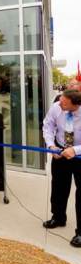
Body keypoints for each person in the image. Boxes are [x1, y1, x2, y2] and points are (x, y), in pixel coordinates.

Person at [43, 89, 81, 248]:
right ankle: (58, 217)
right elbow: (48, 126)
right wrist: (51, 145)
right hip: (60, 151)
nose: (60, 104)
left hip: (79, 154)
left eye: (64, 103)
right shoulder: (57, 106)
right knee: (58, 187)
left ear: (76, 104)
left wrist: (75, 150)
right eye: (60, 100)